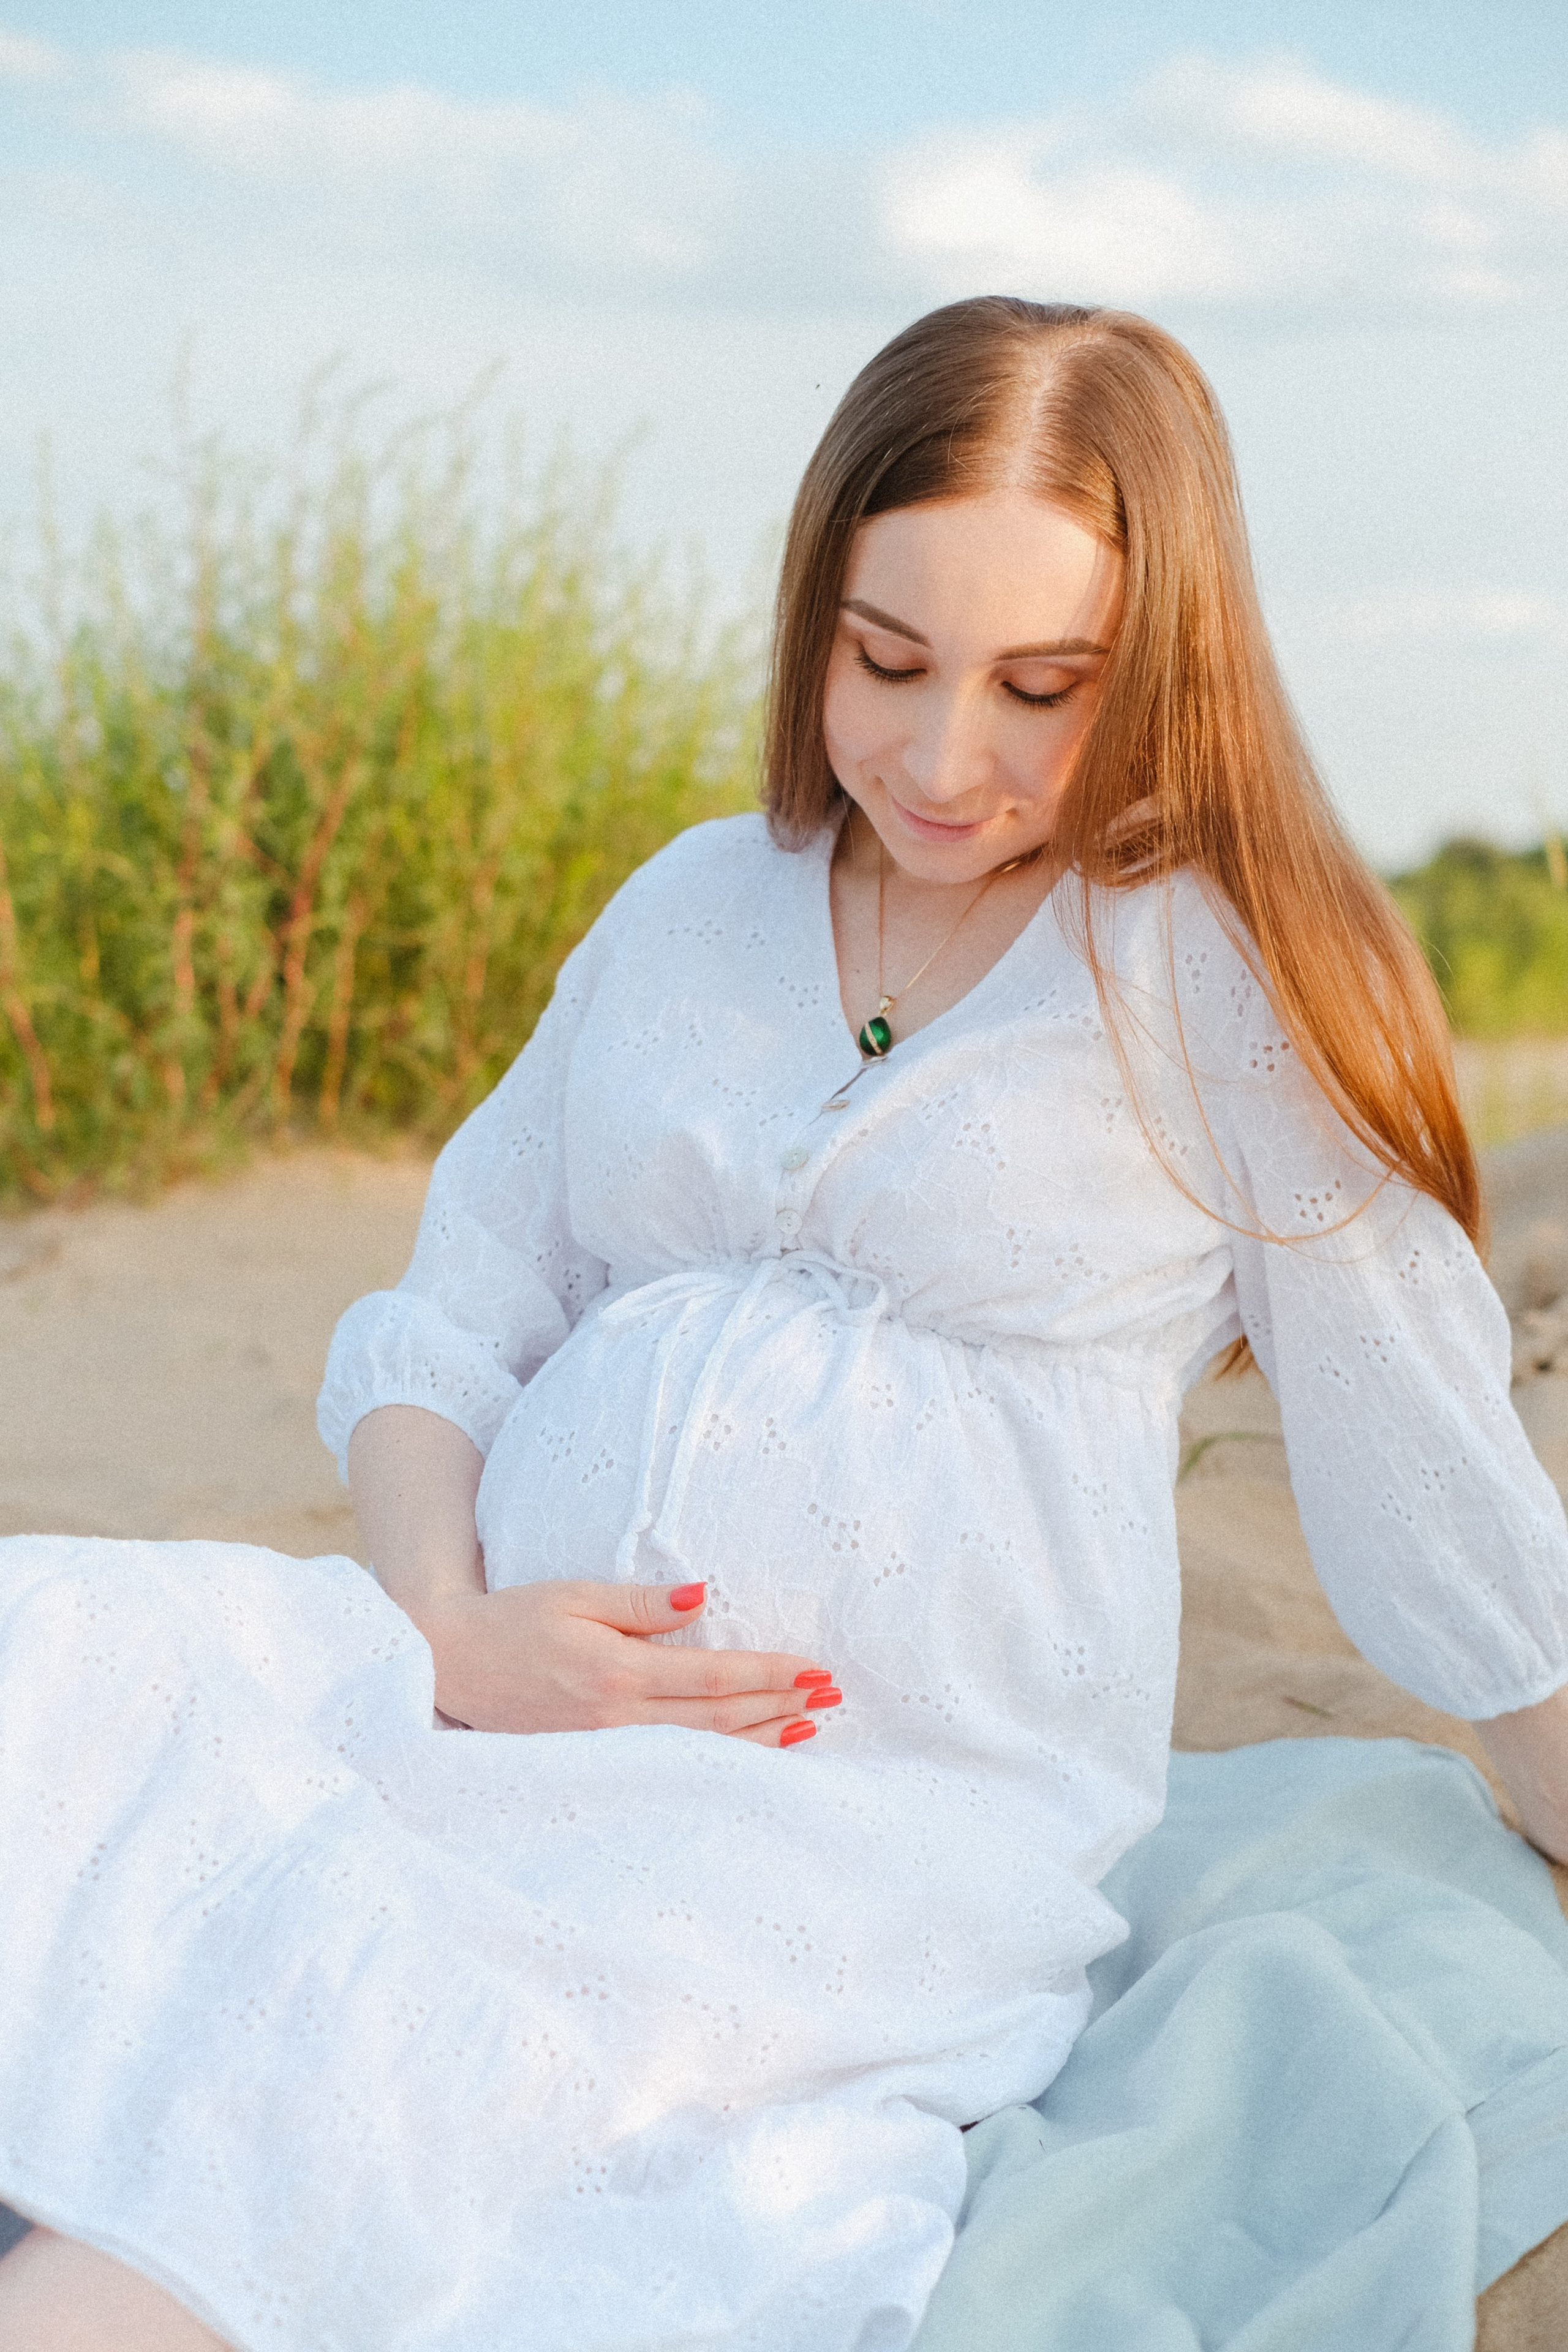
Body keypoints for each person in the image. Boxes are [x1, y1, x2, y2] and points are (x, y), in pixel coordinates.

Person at [2, 296, 1567, 2352]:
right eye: (885, 660)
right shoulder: (687, 904)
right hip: (440, 1689)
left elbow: (1442, 1517)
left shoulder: (1220, 987)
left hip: (835, 1831)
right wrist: (457, 1629)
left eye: (1039, 688)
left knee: (362, 2097)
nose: (941, 757)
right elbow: (447, 1326)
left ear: (1167, 663)